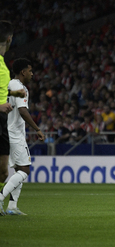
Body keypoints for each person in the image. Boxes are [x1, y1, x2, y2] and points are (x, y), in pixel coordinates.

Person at [0, 58, 45, 215]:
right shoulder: (19, 87)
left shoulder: (10, 84)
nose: (32, 74)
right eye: (30, 70)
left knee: (19, 169)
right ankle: (0, 198)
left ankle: (12, 206)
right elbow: (23, 110)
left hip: (8, 131)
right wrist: (37, 129)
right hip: (14, 133)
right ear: (23, 72)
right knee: (25, 170)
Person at [0, 20, 26, 192]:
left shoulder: (2, 64)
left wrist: (16, 94)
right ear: (9, 38)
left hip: (3, 120)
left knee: (3, 172)